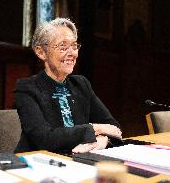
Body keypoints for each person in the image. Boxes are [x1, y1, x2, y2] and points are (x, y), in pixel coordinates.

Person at [14, 18, 122, 154]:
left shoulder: (81, 84)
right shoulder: (27, 88)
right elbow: (44, 139)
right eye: (63, 47)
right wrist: (95, 129)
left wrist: (103, 140)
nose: (72, 53)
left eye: (74, 46)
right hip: (39, 162)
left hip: (79, 157)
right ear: (41, 52)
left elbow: (113, 127)